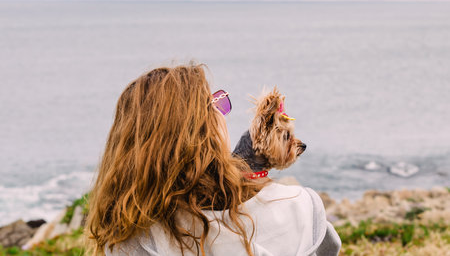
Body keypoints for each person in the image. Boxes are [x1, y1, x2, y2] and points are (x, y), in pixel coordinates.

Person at [85, 64, 341, 256]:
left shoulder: (128, 238)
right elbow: (328, 248)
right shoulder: (300, 207)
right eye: (217, 105)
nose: (223, 114)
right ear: (206, 130)